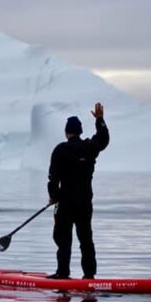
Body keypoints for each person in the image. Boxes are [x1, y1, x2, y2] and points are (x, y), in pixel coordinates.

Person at [47, 103, 109, 279]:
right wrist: (99, 120)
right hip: (84, 203)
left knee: (63, 239)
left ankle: (62, 273)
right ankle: (89, 276)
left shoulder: (60, 150)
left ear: (67, 132)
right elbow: (103, 139)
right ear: (80, 131)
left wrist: (53, 197)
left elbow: (53, 178)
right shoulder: (89, 148)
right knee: (86, 240)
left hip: (65, 203)